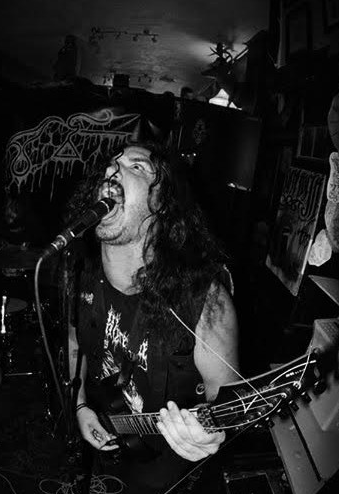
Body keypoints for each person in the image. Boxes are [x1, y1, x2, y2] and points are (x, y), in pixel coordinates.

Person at [65, 137, 240, 493]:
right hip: (103, 433)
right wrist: (80, 406)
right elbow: (74, 341)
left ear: (162, 204)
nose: (113, 170)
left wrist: (213, 431)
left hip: (166, 474)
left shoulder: (205, 302)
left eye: (136, 166)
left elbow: (231, 403)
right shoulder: (83, 273)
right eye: (112, 164)